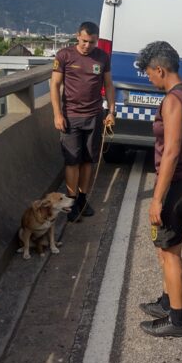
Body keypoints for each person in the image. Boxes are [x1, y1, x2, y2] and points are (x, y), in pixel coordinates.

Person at [136, 41, 182, 338]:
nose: (149, 79)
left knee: (170, 251)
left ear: (160, 69)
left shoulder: (173, 101)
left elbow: (172, 151)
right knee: (166, 246)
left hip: (178, 183)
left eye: (149, 74)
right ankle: (167, 302)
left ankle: (177, 320)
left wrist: (156, 199)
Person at [50, 22, 115, 222]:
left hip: (94, 116)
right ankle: (71, 201)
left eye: (92, 42)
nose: (88, 46)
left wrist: (111, 111)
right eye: (85, 41)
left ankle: (83, 200)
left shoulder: (102, 57)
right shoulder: (64, 55)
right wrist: (57, 114)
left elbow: (109, 85)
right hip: (71, 116)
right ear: (77, 36)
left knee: (88, 160)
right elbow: (55, 85)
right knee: (72, 161)